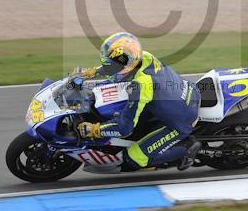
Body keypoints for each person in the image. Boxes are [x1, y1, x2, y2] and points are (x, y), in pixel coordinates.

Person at [74, 32, 201, 171]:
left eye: (111, 65)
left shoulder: (140, 86)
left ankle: (186, 148)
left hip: (181, 121)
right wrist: (94, 72)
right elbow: (119, 65)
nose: (111, 67)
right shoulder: (144, 56)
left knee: (134, 157)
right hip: (185, 93)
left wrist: (95, 129)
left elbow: (124, 128)